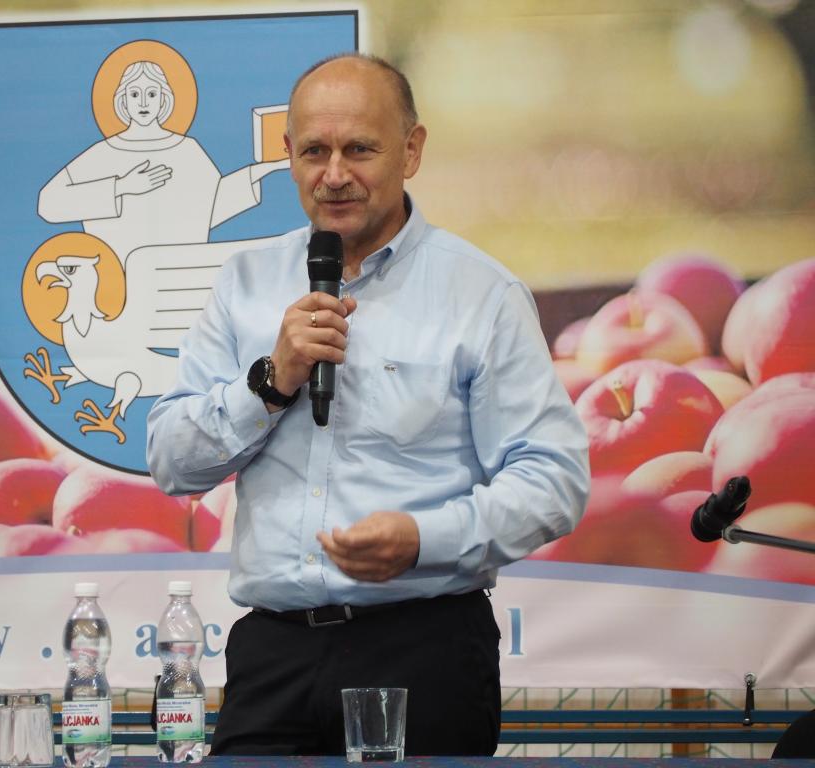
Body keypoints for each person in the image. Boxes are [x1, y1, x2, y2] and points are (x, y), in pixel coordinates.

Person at [146, 53, 590, 756]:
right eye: (314, 151)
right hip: (272, 654)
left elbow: (553, 480)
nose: (334, 175)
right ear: (288, 154)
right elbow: (172, 460)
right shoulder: (245, 282)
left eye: (359, 149)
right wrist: (272, 381)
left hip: (425, 647)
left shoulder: (480, 293)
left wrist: (424, 540)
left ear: (411, 151)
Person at [38, 59, 287, 262]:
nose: (143, 102)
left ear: (163, 98)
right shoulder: (101, 154)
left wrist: (259, 171)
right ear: (122, 100)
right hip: (120, 281)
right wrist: (121, 187)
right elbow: (48, 204)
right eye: (134, 94)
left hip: (181, 272)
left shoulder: (188, 150)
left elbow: (211, 206)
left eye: (151, 93)